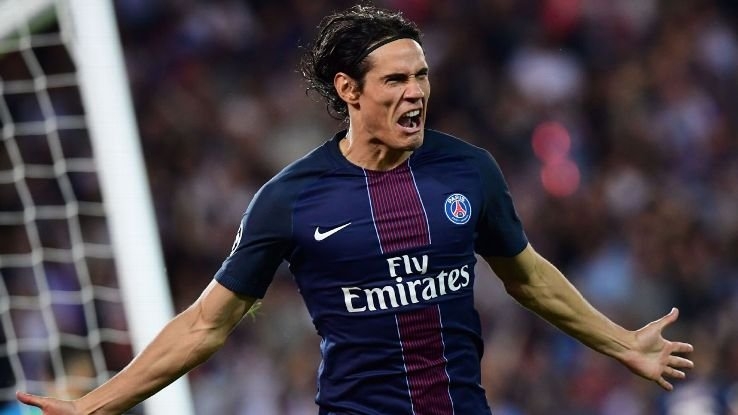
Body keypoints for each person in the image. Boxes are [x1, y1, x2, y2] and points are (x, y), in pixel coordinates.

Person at [17, 5, 694, 415]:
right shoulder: (290, 198)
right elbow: (204, 325)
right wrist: (97, 404)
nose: (415, 92)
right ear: (349, 89)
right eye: (395, 79)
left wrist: (621, 342)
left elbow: (530, 278)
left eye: (421, 75)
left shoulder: (469, 170)